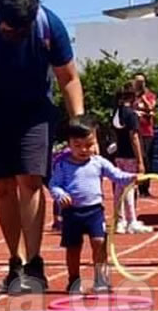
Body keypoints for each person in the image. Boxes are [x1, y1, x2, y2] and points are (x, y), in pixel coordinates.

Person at [0, 0, 84, 292]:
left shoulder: (49, 26)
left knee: (30, 180)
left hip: (35, 112)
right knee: (1, 186)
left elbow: (68, 78)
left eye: (22, 30)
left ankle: (34, 262)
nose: (16, 35)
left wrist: (78, 124)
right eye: (10, 29)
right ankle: (15, 260)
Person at [48, 118, 135, 294]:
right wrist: (60, 194)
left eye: (88, 144)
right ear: (69, 144)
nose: (83, 149)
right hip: (72, 213)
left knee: (100, 242)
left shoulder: (98, 162)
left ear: (96, 142)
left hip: (94, 211)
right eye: (78, 145)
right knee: (73, 248)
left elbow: (116, 175)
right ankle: (73, 280)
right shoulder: (62, 164)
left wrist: (132, 177)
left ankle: (100, 278)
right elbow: (54, 184)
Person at [110, 85, 151, 234]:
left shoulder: (116, 112)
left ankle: (120, 220)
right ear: (133, 97)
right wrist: (140, 159)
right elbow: (134, 137)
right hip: (130, 155)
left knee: (119, 188)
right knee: (129, 188)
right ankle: (131, 220)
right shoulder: (131, 115)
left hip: (119, 154)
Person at [132, 73, 157, 197]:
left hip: (147, 132)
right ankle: (135, 187)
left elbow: (151, 108)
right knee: (135, 159)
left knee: (147, 160)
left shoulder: (149, 95)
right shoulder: (131, 97)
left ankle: (145, 188)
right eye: (137, 81)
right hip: (135, 132)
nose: (139, 84)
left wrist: (143, 98)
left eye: (141, 82)